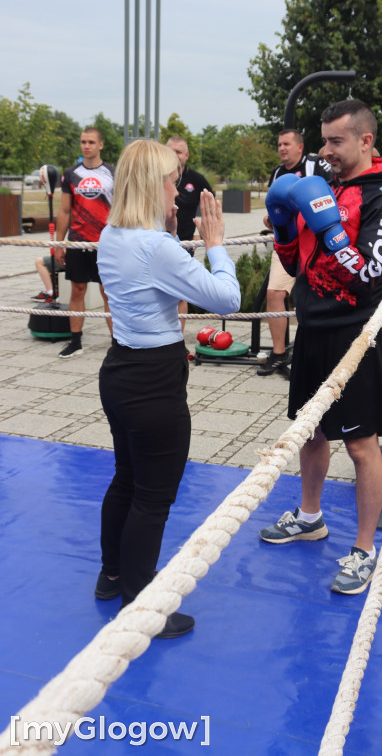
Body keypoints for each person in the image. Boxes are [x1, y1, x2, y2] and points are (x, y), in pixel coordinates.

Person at [259, 100, 382, 595]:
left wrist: (330, 228)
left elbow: (367, 275)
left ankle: (364, 550)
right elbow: (297, 264)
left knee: (361, 445)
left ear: (365, 141)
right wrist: (284, 226)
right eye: (323, 141)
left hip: (354, 335)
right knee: (310, 432)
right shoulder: (328, 187)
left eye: (336, 141)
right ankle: (310, 517)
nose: (325, 151)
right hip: (312, 328)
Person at [95, 139, 240, 639]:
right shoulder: (153, 247)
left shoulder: (112, 233)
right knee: (153, 498)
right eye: (172, 182)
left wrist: (173, 236)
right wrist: (215, 243)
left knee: (127, 478)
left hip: (120, 371)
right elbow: (227, 298)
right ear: (150, 184)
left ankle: (113, 575)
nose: (178, 192)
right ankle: (140, 605)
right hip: (153, 382)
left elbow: (150, 276)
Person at [258, 128, 332, 376]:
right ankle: (279, 353)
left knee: (312, 297)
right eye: (279, 144)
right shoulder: (277, 172)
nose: (281, 148)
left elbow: (332, 196)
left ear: (300, 147)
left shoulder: (316, 165)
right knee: (274, 293)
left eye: (286, 144)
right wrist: (271, 220)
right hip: (288, 243)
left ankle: (314, 352)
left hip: (316, 243)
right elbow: (276, 209)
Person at [54, 128, 114, 358]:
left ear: (100, 145)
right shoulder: (71, 174)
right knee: (77, 290)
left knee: (108, 292)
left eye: (91, 142)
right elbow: (64, 210)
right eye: (83, 142)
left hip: (106, 243)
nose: (86, 146)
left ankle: (116, 343)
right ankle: (75, 341)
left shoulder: (113, 173)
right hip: (78, 242)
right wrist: (59, 243)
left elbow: (121, 207)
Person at [166, 136, 214, 333]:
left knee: (180, 293)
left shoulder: (196, 179)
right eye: (171, 151)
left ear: (186, 155)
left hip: (184, 246)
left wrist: (200, 237)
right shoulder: (157, 177)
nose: (175, 155)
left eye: (178, 152)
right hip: (158, 242)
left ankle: (177, 337)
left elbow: (211, 207)